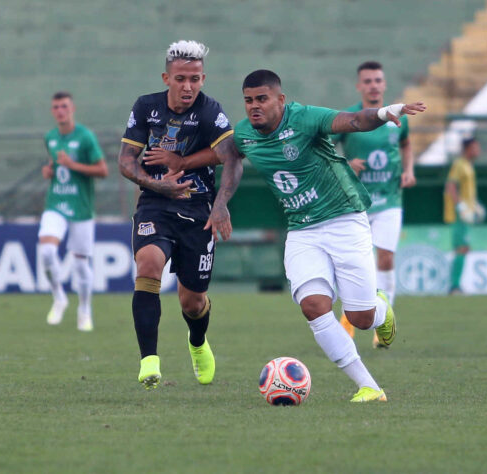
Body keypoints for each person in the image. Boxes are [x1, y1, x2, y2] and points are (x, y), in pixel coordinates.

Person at [209, 69, 426, 402]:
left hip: (345, 220)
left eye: (262, 99)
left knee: (361, 317)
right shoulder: (244, 134)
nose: (254, 106)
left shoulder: (305, 118)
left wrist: (385, 113)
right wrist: (180, 163)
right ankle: (368, 386)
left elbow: (353, 120)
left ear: (280, 100)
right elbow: (225, 155)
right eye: (249, 100)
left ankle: (382, 310)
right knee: (313, 306)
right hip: (301, 230)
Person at [118, 40, 240, 390]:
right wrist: (154, 185)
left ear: (203, 79)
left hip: (196, 207)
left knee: (192, 300)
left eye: (196, 79)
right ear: (166, 78)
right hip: (155, 203)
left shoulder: (210, 111)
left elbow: (231, 158)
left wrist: (219, 206)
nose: (189, 86)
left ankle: (198, 342)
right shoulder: (146, 107)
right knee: (149, 265)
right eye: (182, 78)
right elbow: (126, 161)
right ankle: (149, 361)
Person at [334, 61, 416, 347]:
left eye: (377, 80)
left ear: (384, 84)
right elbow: (325, 146)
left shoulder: (398, 118)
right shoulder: (351, 118)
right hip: (356, 202)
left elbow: (406, 144)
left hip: (390, 198)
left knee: (386, 257)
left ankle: (384, 321)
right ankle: (350, 319)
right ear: (359, 86)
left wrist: (409, 170)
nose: (373, 85)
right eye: (367, 81)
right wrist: (345, 164)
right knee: (355, 262)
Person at [38, 91, 108, 331]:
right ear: (52, 111)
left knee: (80, 264)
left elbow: (102, 170)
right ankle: (59, 297)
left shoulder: (85, 137)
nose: (60, 110)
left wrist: (72, 165)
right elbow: (53, 165)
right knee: (47, 251)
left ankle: (85, 309)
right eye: (56, 107)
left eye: (64, 106)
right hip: (56, 203)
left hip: (81, 207)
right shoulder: (50, 137)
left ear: (72, 108)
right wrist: (49, 171)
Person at [444, 137, 483, 294]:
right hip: (460, 215)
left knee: (464, 248)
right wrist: (460, 206)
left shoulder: (468, 165)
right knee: (461, 248)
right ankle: (454, 286)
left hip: (467, 214)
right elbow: (451, 185)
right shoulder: (459, 164)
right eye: (475, 147)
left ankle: (456, 284)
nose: (478, 151)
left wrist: (474, 206)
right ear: (467, 149)